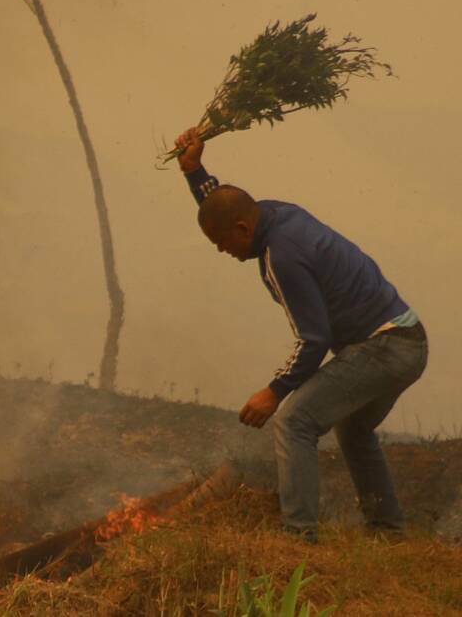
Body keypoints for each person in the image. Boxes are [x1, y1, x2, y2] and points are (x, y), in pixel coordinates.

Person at [173, 128, 428, 542]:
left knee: (295, 421)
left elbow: (313, 339)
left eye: (220, 242)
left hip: (382, 347)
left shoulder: (282, 258)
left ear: (241, 229)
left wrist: (273, 391)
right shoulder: (274, 214)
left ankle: (298, 538)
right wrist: (194, 171)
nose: (222, 250)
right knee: (354, 430)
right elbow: (225, 205)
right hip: (408, 340)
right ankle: (388, 532)